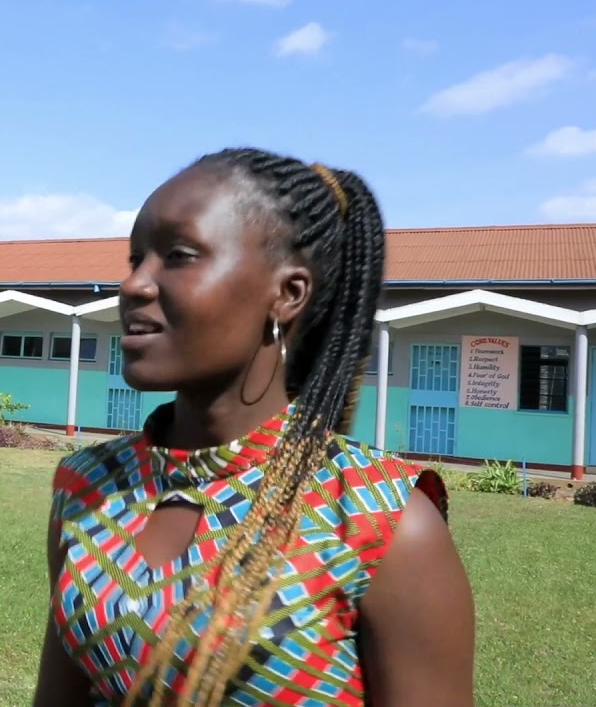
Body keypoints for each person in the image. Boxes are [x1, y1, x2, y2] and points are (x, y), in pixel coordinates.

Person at [32, 148, 475, 707]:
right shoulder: (88, 486)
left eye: (178, 255)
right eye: (136, 258)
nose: (134, 285)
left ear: (287, 294)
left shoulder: (380, 520)